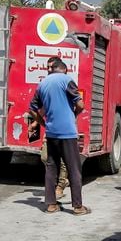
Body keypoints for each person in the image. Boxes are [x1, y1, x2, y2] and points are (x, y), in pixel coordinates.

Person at [28, 58, 90, 215]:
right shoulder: (67, 80)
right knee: (74, 169)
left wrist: (43, 123)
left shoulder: (42, 84)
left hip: (51, 132)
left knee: (51, 167)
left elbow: (32, 109)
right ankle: (77, 207)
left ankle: (51, 205)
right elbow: (81, 104)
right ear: (65, 69)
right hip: (67, 133)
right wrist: (73, 114)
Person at [35, 57, 69, 200]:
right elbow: (42, 106)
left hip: (64, 129)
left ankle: (60, 186)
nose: (49, 70)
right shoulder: (46, 84)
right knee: (45, 157)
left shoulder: (67, 84)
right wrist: (36, 122)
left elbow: (77, 104)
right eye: (47, 67)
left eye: (51, 67)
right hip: (50, 128)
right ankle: (60, 181)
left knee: (62, 159)